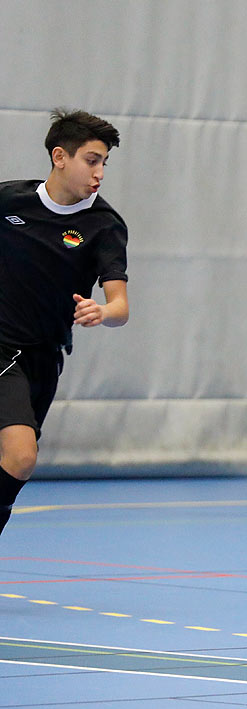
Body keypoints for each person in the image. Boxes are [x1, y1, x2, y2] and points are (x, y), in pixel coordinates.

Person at [0, 110, 130, 538]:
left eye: (104, 163)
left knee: (11, 470)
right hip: (2, 348)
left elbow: (119, 307)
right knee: (21, 456)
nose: (100, 172)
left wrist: (102, 312)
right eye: (92, 160)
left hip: (46, 356)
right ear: (60, 156)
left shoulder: (104, 226)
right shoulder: (9, 201)